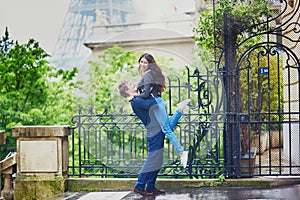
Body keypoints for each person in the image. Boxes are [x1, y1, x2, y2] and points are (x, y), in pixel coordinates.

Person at [118, 53, 189, 196]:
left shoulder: (137, 99)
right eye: (131, 86)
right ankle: (139, 186)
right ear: (127, 92)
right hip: (154, 132)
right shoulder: (136, 101)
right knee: (152, 160)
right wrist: (149, 91)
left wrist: (150, 89)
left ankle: (150, 186)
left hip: (156, 129)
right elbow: (152, 102)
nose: (135, 85)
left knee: (158, 159)